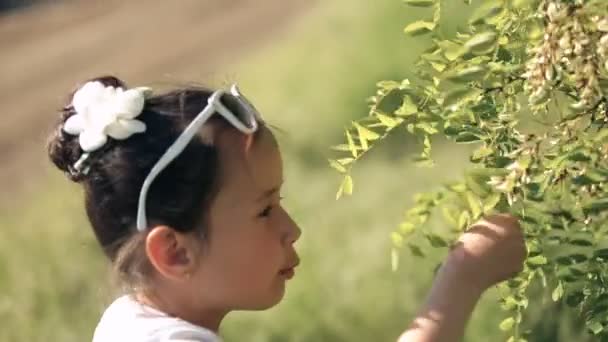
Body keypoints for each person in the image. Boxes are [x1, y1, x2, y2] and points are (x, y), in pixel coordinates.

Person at [47, 76, 527, 342]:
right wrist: (461, 279)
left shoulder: (128, 322)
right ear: (175, 253)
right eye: (264, 210)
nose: (291, 230)